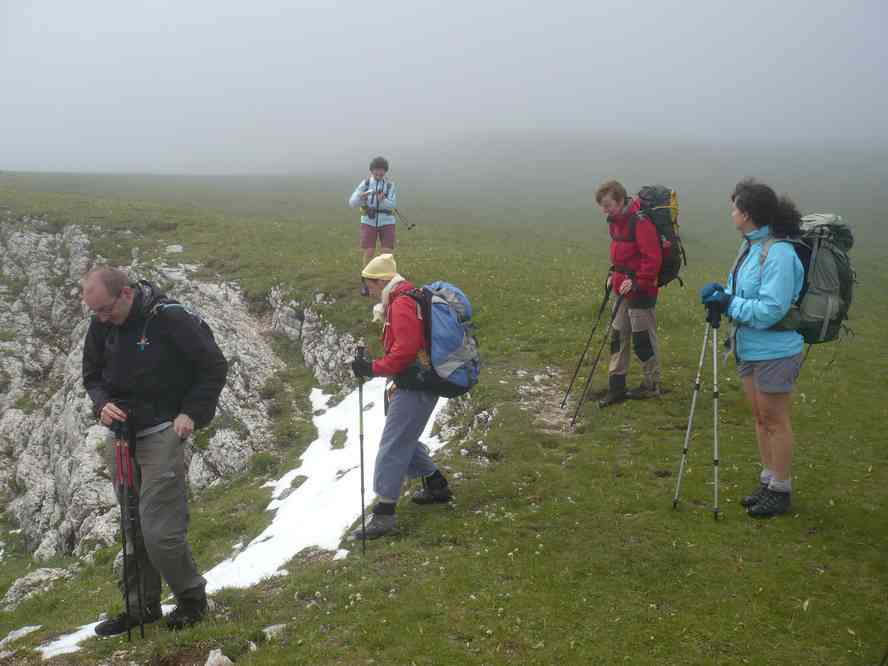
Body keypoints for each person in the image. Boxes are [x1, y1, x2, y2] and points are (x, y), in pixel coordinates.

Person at [81, 267, 228, 634]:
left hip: (162, 430)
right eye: (95, 312)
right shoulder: (102, 323)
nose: (102, 319)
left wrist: (191, 412)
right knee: (131, 524)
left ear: (127, 293)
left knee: (158, 528)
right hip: (121, 435)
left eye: (106, 310)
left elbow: (213, 365)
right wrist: (101, 403)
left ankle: (191, 599)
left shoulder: (169, 318)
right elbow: (92, 375)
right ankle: (141, 607)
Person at [699, 179, 805, 518]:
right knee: (761, 419)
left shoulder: (779, 253)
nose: (731, 213)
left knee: (775, 420)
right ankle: (768, 481)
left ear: (747, 213)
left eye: (734, 208)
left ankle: (781, 490)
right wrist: (723, 295)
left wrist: (730, 303)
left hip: (776, 350)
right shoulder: (750, 247)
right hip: (748, 346)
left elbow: (772, 308)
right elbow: (746, 294)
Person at [349, 254, 452, 539]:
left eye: (368, 285)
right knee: (404, 438)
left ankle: (384, 515)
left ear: (380, 281)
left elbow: (405, 351)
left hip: (415, 384)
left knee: (393, 445)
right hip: (416, 381)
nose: (366, 291)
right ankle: (436, 486)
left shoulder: (402, 304)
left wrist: (372, 368)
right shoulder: (404, 298)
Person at [595, 180, 663, 407]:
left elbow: (652, 259)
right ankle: (616, 386)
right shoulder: (615, 223)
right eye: (602, 206)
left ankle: (652, 385)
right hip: (621, 287)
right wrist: (613, 275)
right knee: (618, 336)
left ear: (620, 200)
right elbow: (621, 255)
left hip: (641, 291)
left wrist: (636, 282)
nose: (604, 210)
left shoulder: (640, 222)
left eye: (608, 205)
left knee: (643, 340)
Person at [349, 156, 398, 296]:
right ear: (371, 170)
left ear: (385, 171)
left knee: (387, 253)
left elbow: (393, 205)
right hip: (368, 221)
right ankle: (366, 282)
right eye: (376, 170)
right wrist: (361, 197)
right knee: (369, 252)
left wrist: (383, 201)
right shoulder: (365, 184)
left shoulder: (390, 185)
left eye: (382, 170)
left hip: (387, 221)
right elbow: (352, 203)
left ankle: (387, 283)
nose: (379, 173)